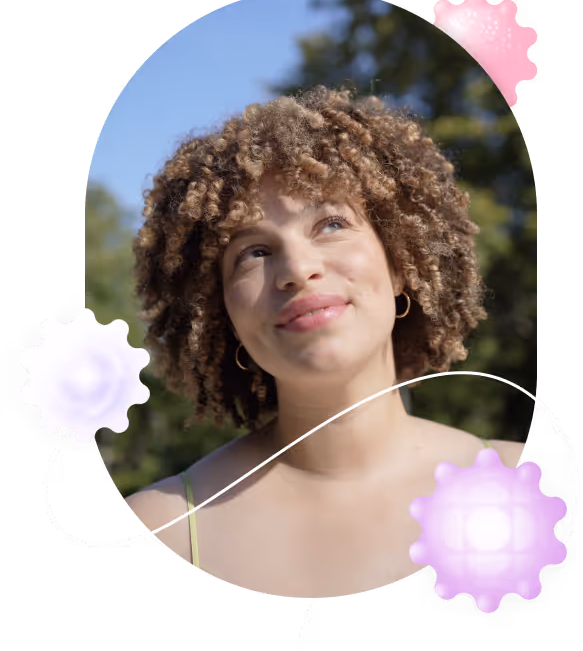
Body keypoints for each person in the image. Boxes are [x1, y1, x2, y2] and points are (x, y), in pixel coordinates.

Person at [125, 85, 525, 597]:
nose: (297, 269)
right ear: (219, 312)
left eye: (331, 223)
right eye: (253, 252)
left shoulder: (539, 487)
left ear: (401, 266)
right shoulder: (162, 529)